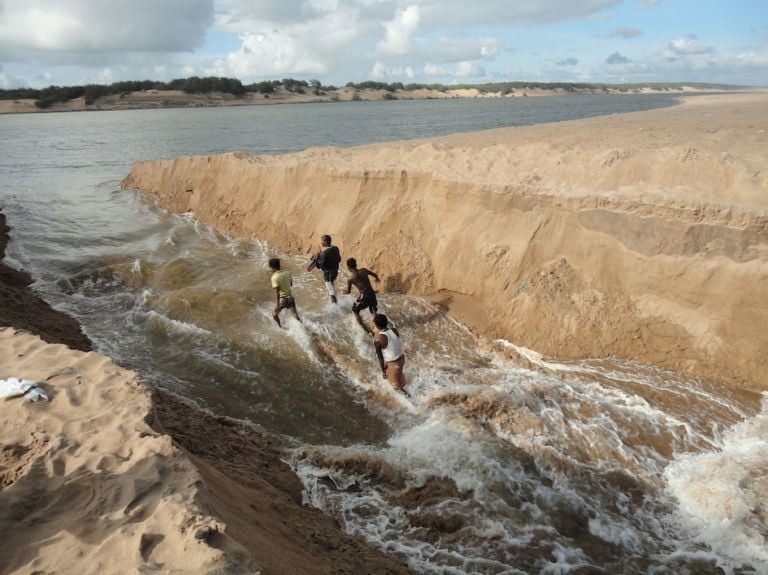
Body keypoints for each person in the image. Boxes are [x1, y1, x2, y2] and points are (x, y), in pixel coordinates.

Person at [373, 313, 408, 394]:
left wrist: (383, 372)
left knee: (396, 388)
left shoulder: (378, 340)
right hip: (401, 359)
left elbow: (380, 358)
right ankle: (402, 382)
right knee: (398, 376)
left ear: (377, 325)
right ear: (386, 322)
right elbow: (392, 346)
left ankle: (413, 402)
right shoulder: (394, 330)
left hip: (394, 363)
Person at [344, 257, 380, 334]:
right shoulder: (364, 270)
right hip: (372, 294)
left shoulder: (350, 279)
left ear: (349, 268)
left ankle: (367, 331)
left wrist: (344, 291)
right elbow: (374, 275)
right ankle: (379, 328)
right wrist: (377, 279)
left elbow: (348, 292)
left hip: (364, 296)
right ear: (356, 264)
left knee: (355, 310)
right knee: (373, 310)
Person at [269, 258, 300, 327]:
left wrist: (277, 304)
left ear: (273, 267)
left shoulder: (274, 277)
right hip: (291, 298)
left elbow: (277, 292)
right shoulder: (287, 273)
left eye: (270, 268)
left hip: (285, 299)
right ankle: (304, 328)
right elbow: (291, 284)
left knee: (274, 314)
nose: (270, 270)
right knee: (296, 316)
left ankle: (281, 328)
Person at [315, 234, 341, 304]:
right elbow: (339, 259)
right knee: (332, 288)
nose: (321, 243)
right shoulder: (336, 249)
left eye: (322, 241)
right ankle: (336, 303)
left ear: (325, 242)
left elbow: (319, 266)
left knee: (331, 293)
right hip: (335, 272)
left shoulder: (323, 254)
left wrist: (318, 256)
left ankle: (334, 308)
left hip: (328, 275)